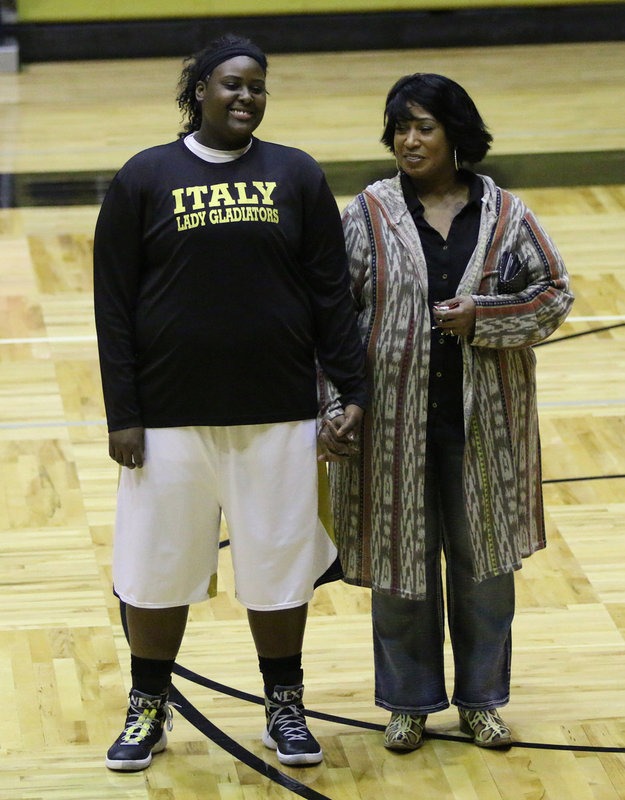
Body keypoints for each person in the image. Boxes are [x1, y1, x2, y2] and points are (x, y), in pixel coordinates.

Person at [93, 33, 366, 772]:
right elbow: (113, 304)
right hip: (167, 417)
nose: (246, 96)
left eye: (257, 86)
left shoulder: (295, 175)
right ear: (199, 91)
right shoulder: (145, 177)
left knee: (279, 571)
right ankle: (147, 706)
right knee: (155, 572)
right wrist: (123, 411)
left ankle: (284, 706)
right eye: (231, 85)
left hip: (279, 413)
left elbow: (330, 296)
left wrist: (352, 390)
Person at [318, 73, 573, 752]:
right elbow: (331, 318)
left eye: (422, 127)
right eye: (398, 127)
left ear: (455, 133)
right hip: (391, 429)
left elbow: (553, 294)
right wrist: (335, 402)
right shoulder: (367, 213)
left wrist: (484, 315)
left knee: (483, 569)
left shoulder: (506, 214)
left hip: (484, 430)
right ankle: (407, 704)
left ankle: (482, 701)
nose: (408, 140)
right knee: (400, 572)